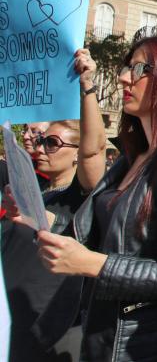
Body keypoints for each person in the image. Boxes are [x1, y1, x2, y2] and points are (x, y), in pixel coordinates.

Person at [28, 35, 157, 362]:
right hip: (104, 339)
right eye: (127, 67)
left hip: (153, 348)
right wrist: (37, 217)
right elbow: (107, 235)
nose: (124, 77)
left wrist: (95, 265)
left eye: (139, 68)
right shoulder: (134, 155)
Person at [2, 49, 108, 361]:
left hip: (49, 331)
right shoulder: (35, 188)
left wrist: (87, 85)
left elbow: (94, 151)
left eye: (53, 142)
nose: (42, 147)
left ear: (76, 151)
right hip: (13, 322)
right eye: (42, 140)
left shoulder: (82, 197)